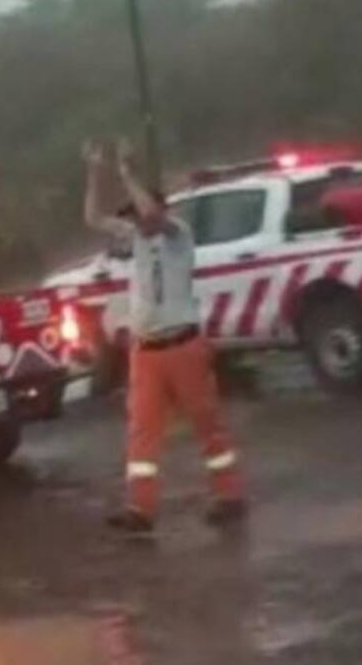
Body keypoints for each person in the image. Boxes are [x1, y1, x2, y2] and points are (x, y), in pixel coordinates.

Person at [82, 138, 247, 533]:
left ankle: (228, 494)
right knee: (141, 429)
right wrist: (94, 171)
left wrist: (127, 174)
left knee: (205, 420)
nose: (135, 220)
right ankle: (141, 508)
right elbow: (93, 218)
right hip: (147, 350)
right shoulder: (136, 238)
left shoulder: (177, 235)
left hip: (182, 343)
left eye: (137, 212)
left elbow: (154, 215)